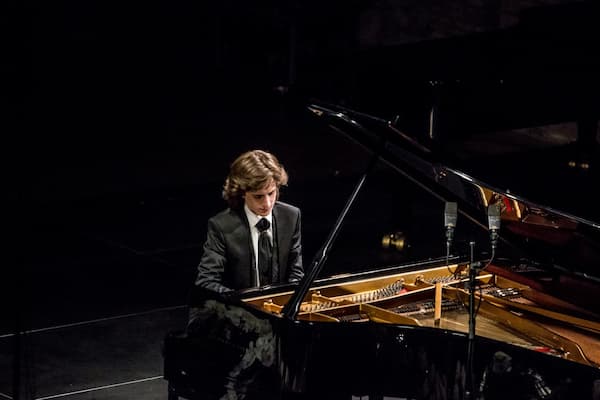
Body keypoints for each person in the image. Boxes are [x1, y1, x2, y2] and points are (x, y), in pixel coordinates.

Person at [192, 149, 304, 294]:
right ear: (242, 192)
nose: (268, 203)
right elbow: (206, 281)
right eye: (258, 196)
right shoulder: (221, 225)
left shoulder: (291, 216)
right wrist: (247, 304)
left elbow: (296, 275)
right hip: (239, 312)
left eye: (271, 193)